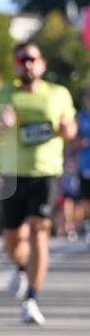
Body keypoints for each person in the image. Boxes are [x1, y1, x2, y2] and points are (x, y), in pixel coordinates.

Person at [0, 41, 77, 325]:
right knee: (13, 242)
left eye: (33, 59)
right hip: (10, 176)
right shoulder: (2, 95)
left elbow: (69, 128)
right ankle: (21, 266)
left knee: (38, 233)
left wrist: (68, 130)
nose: (28, 64)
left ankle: (31, 298)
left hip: (45, 173)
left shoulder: (58, 94)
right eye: (22, 60)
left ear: (42, 63)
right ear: (15, 65)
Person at [76, 85, 90, 243]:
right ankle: (88, 226)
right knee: (86, 200)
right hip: (85, 165)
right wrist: (80, 143)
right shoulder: (80, 117)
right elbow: (71, 142)